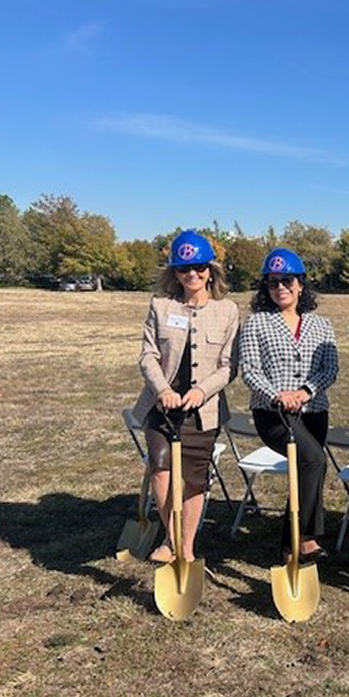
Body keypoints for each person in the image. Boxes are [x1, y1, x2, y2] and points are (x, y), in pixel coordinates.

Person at [133, 229, 240, 563]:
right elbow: (147, 355)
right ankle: (172, 537)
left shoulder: (228, 311)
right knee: (160, 468)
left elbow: (228, 366)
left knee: (194, 478)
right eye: (184, 269)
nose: (192, 274)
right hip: (162, 406)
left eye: (199, 267)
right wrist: (163, 389)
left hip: (202, 411)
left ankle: (186, 547)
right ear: (174, 273)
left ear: (211, 270)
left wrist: (201, 391)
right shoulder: (161, 306)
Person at [239, 248, 339, 563]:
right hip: (272, 413)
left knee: (305, 472)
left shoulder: (322, 325)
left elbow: (330, 367)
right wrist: (278, 395)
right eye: (272, 282)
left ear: (300, 284)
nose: (280, 287)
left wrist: (306, 392)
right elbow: (250, 370)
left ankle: (287, 547)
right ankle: (307, 538)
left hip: (314, 411)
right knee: (314, 461)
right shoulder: (255, 324)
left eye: (287, 280)